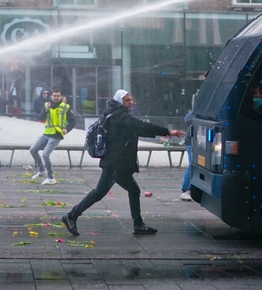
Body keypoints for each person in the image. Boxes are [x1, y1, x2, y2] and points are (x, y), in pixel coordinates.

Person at [62, 89, 185, 236]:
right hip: (115, 163)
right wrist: (167, 131)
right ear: (120, 102)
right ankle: (71, 216)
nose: (131, 102)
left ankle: (138, 225)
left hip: (119, 164)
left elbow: (137, 130)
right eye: (127, 100)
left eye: (131, 99)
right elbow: (140, 125)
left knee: (133, 190)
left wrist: (163, 133)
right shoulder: (119, 116)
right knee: (99, 192)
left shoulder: (116, 115)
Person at [30, 88, 76, 185]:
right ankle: (41, 170)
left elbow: (73, 121)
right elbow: (40, 118)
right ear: (51, 96)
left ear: (61, 97)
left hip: (57, 135)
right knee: (33, 150)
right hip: (47, 133)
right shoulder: (47, 105)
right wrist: (46, 110)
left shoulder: (65, 107)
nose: (56, 97)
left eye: (58, 96)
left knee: (45, 154)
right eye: (54, 95)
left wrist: (67, 129)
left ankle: (51, 178)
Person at [180, 109, 194, 201]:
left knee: (193, 165)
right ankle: (186, 189)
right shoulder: (196, 111)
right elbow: (188, 120)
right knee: (192, 165)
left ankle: (187, 189)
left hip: (193, 141)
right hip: (192, 142)